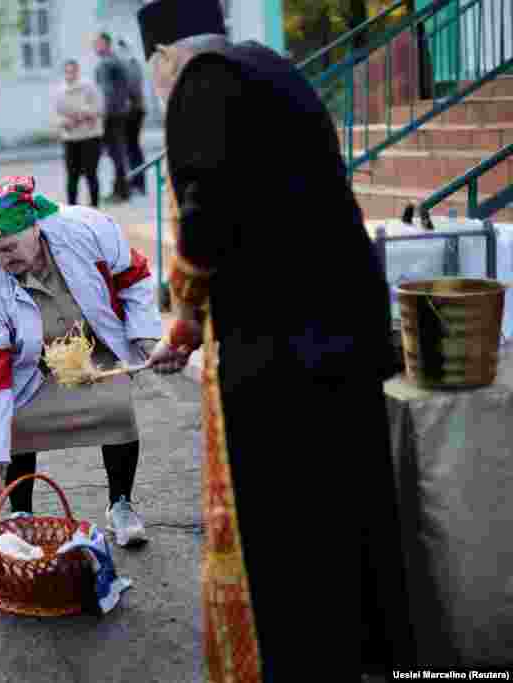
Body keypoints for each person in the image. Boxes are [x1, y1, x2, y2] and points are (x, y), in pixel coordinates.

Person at [137, 1, 414, 680]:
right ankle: (375, 655)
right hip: (345, 327)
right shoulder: (272, 68)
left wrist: (183, 315)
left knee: (290, 524)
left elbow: (203, 220)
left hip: (281, 349)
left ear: (162, 55)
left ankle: (304, 660)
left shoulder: (201, 82)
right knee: (354, 506)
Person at [0, 176, 163, 547]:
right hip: (37, 362)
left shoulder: (86, 229)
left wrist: (143, 333)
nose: (2, 260)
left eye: (9, 248)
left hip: (95, 344)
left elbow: (134, 276)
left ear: (34, 228)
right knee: (17, 420)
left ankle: (120, 504)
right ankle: (21, 512)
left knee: (116, 408)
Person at [54, 59, 104, 208]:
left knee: (91, 174)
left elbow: (98, 108)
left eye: (73, 71)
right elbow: (56, 115)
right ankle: (71, 210)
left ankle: (95, 208)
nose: (70, 75)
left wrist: (83, 113)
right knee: (72, 176)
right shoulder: (60, 91)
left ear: (78, 71)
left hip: (90, 136)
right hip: (70, 138)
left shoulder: (89, 87)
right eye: (67, 72)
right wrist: (65, 122)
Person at [93, 32, 133, 203]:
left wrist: (101, 115)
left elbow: (106, 93)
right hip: (120, 112)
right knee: (119, 153)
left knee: (115, 154)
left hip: (111, 115)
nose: (95, 47)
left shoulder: (106, 63)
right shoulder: (117, 61)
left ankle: (120, 192)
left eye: (98, 44)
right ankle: (122, 191)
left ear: (106, 44)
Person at [118, 38, 148, 196]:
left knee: (131, 148)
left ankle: (137, 183)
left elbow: (132, 89)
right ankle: (137, 183)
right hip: (133, 110)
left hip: (132, 111)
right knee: (131, 147)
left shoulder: (130, 64)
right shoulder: (131, 63)